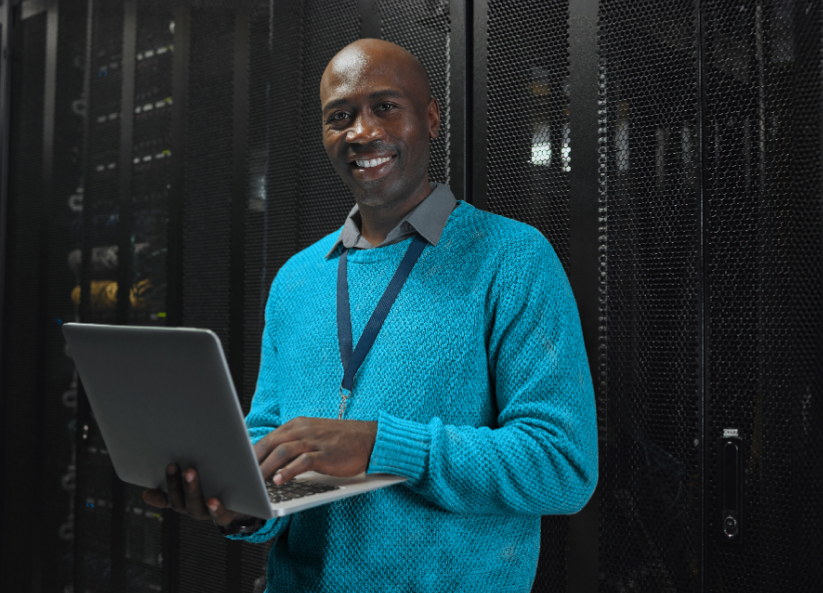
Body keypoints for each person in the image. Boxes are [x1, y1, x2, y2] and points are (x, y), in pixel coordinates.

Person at [141, 38, 597, 591]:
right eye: (340, 117)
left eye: (385, 107)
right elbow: (268, 443)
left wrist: (378, 445)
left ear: (430, 117)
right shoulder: (297, 279)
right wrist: (235, 505)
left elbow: (562, 466)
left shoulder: (512, 258)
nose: (362, 132)